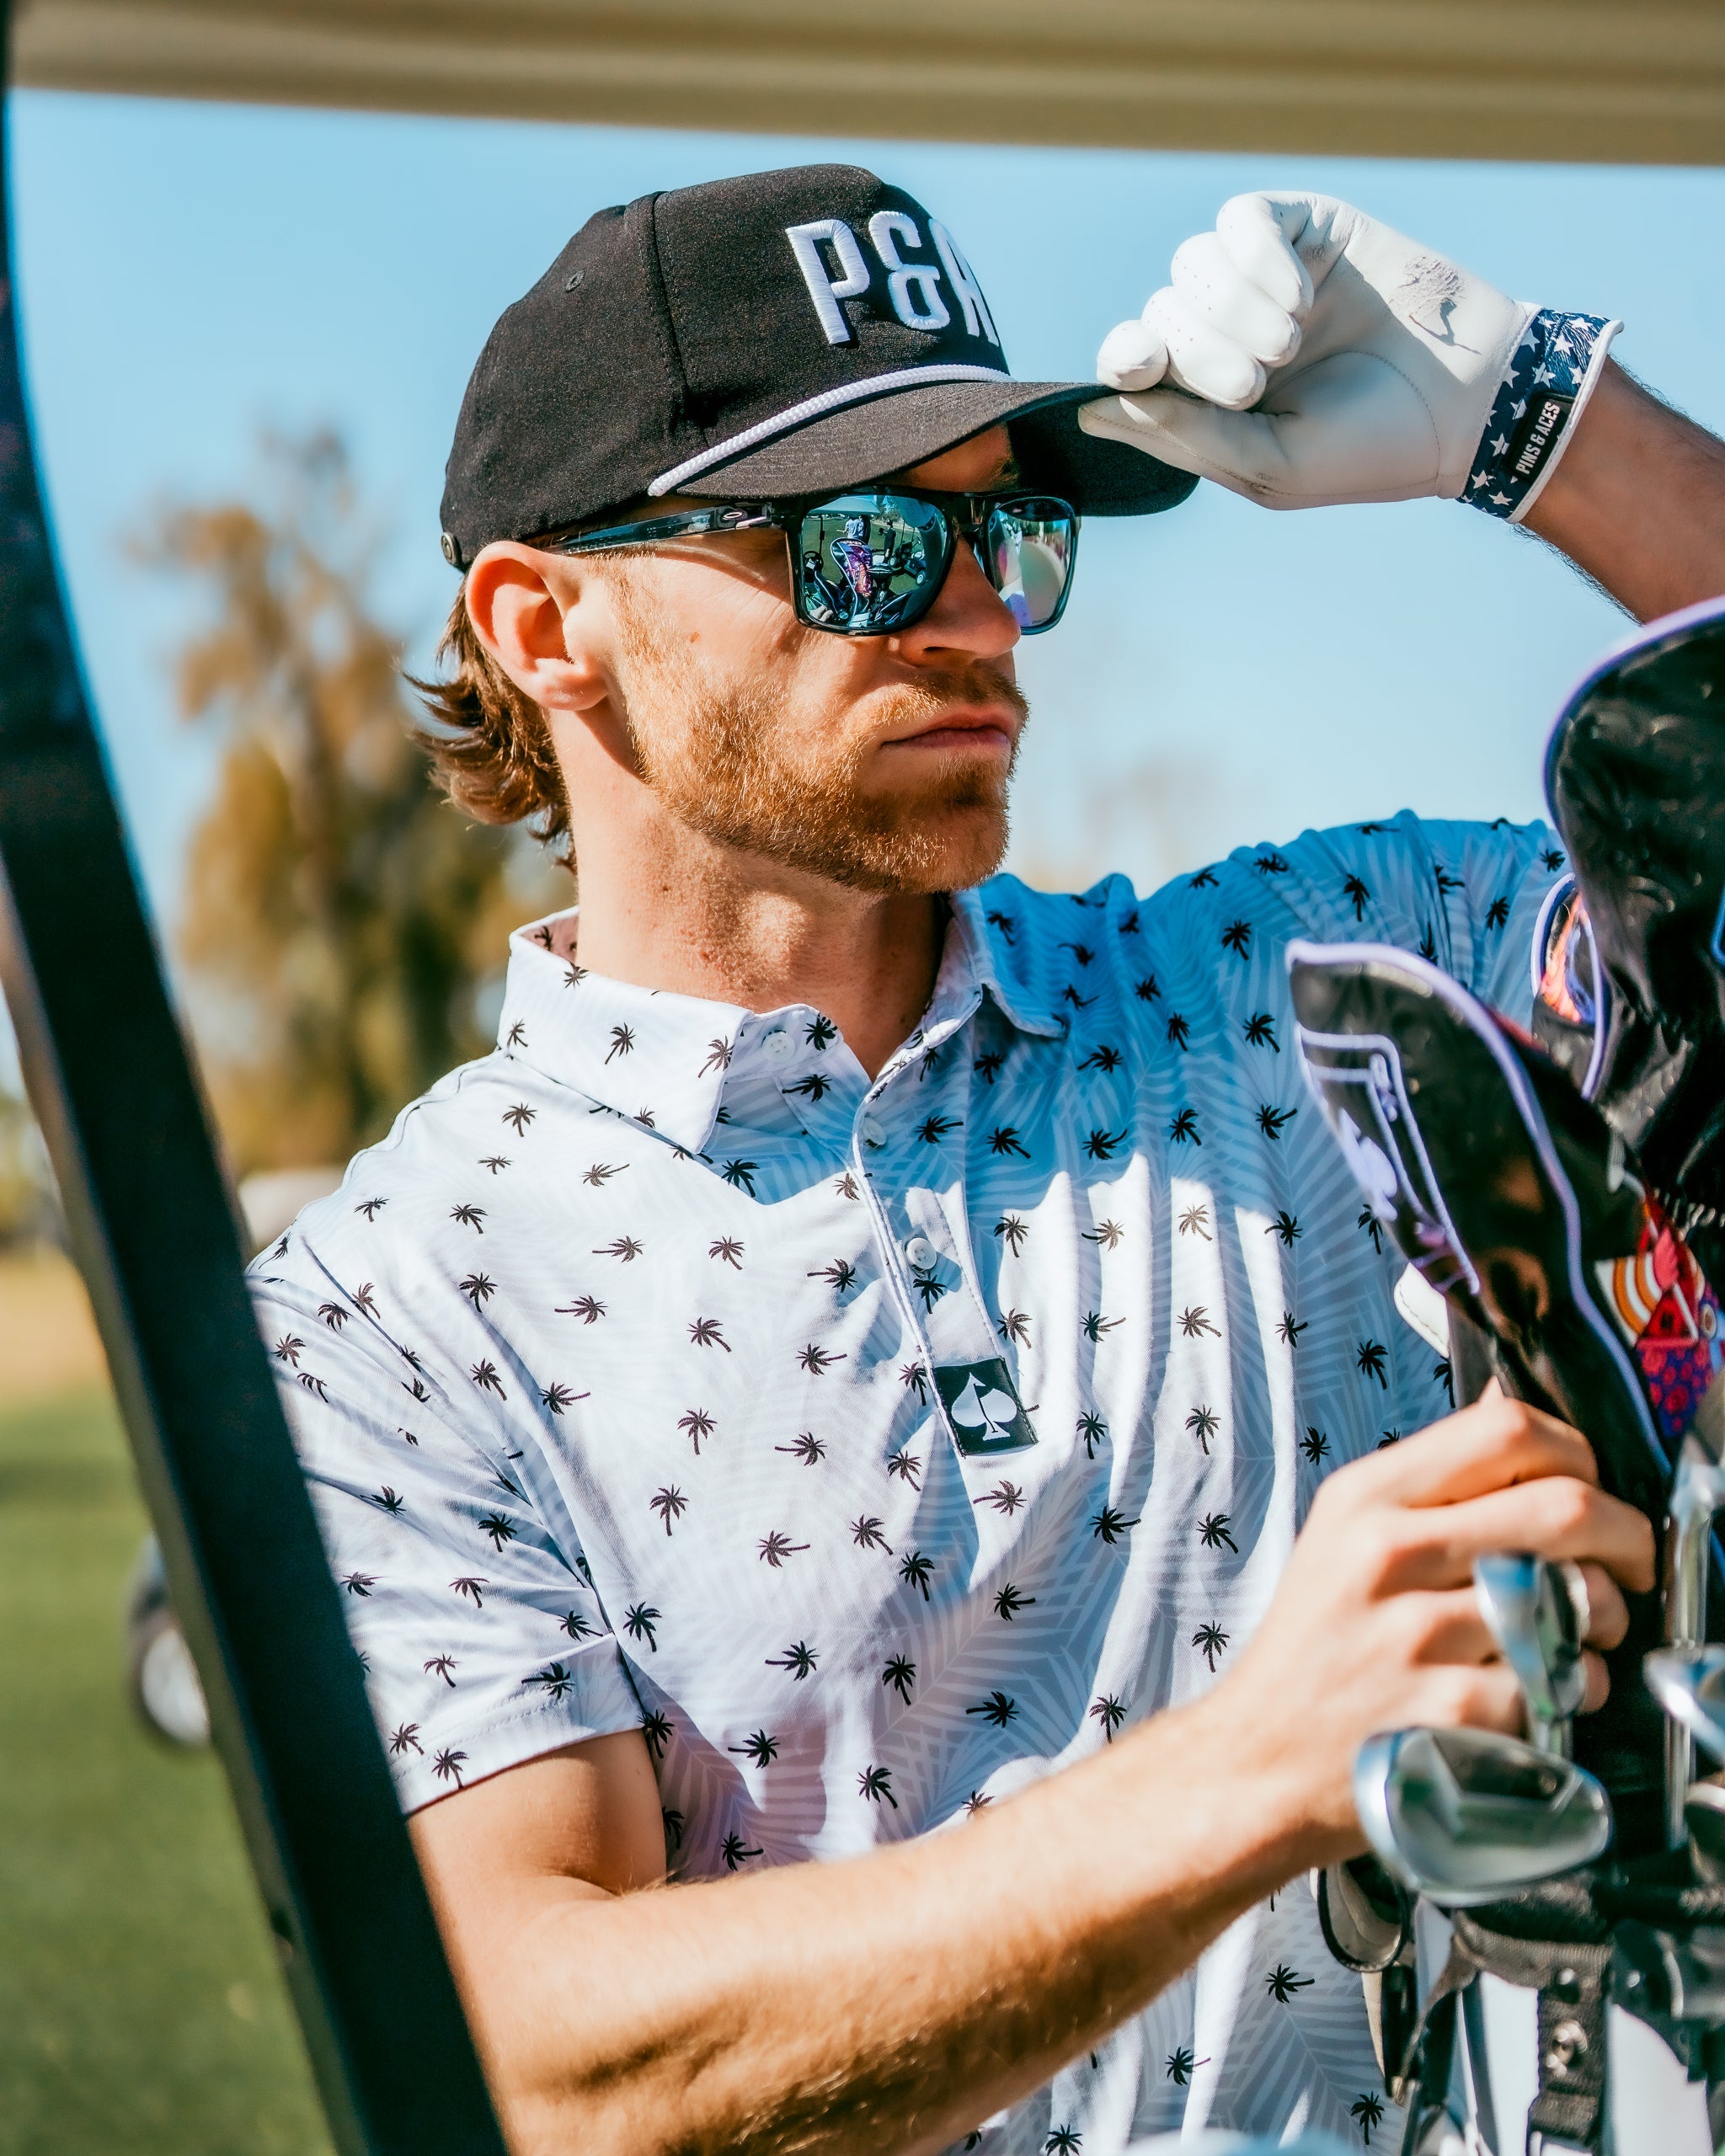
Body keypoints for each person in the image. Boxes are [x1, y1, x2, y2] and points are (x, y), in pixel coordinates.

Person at [248, 164, 1725, 2154]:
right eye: (859, 544)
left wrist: (1540, 425)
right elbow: (550, 2069)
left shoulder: (1293, 980)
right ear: (545, 624)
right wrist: (1254, 1764)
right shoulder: (386, 1306)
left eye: (1006, 532)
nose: (970, 614)